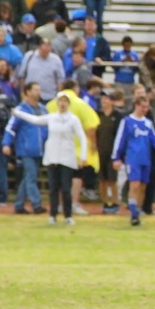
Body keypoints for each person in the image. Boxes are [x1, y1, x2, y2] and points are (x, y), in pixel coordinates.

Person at [13, 92, 88, 225]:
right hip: (52, 156)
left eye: (65, 102)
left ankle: (68, 215)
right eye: (60, 101)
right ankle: (52, 215)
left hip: (67, 157)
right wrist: (19, 113)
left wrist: (83, 156)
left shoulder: (73, 119)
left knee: (65, 188)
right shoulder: (52, 117)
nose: (62, 104)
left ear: (68, 104)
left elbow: (82, 137)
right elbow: (35, 120)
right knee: (53, 188)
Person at [46, 81, 100, 217]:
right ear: (75, 88)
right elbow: (91, 126)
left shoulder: (52, 104)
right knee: (76, 176)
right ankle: (73, 203)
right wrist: (93, 144)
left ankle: (58, 205)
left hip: (55, 145)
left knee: (57, 176)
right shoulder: (81, 104)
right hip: (76, 146)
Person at [112, 95, 155, 225]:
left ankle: (138, 211)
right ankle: (133, 213)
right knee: (134, 184)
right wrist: (116, 157)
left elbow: (154, 138)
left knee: (142, 186)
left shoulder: (147, 123)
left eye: (147, 107)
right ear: (136, 105)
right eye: (143, 107)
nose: (145, 109)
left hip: (145, 158)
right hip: (133, 158)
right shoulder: (127, 121)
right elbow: (120, 140)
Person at [2, 82, 48, 215]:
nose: (38, 92)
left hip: (40, 149)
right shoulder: (21, 110)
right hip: (26, 149)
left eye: (39, 89)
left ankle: (19, 204)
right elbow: (11, 128)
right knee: (31, 176)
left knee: (27, 177)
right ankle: (36, 203)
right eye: (35, 90)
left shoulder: (44, 109)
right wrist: (6, 143)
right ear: (27, 92)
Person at [96, 90, 123, 214]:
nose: (104, 101)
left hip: (112, 152)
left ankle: (115, 202)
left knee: (112, 179)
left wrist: (119, 154)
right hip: (99, 151)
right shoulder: (97, 115)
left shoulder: (117, 117)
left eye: (107, 98)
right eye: (103, 98)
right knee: (102, 179)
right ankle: (105, 202)